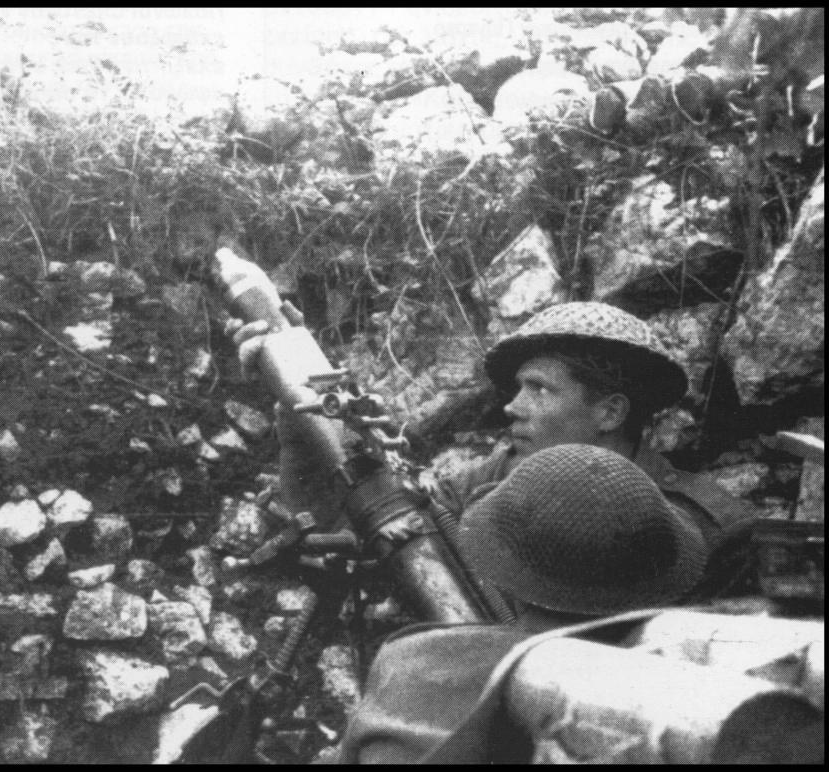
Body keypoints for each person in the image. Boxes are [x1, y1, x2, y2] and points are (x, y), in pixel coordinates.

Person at [227, 298, 759, 762]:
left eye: (540, 389)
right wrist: (302, 430)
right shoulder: (495, 478)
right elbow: (356, 527)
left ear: (610, 411)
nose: (512, 406)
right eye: (517, 387)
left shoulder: (711, 531)